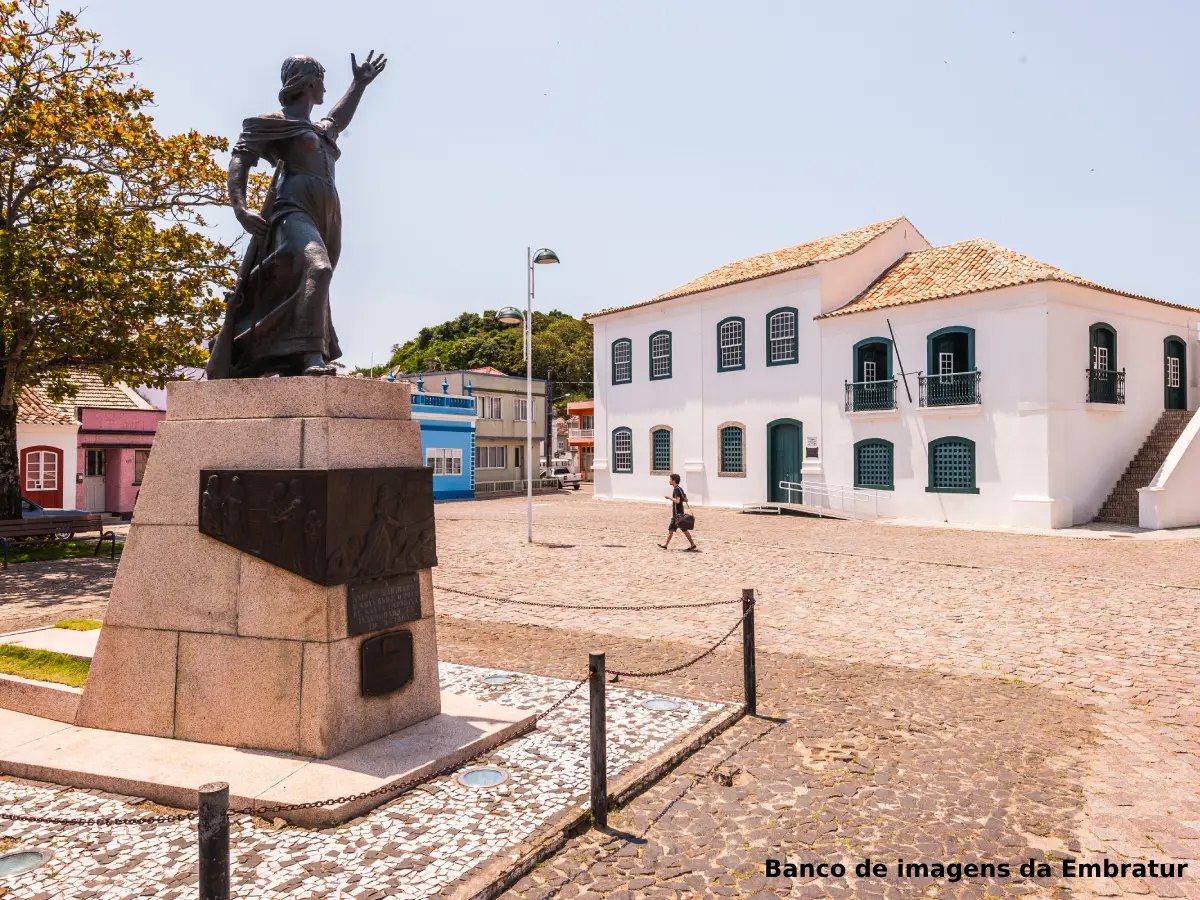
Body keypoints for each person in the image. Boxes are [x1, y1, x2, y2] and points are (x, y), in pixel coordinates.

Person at [207, 50, 387, 379]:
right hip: (293, 208)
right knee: (318, 268)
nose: (324, 90)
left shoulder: (317, 129)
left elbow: (337, 120)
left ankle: (289, 354)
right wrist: (240, 207)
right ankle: (310, 355)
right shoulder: (276, 122)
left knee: (312, 280)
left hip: (327, 216)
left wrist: (359, 85)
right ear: (308, 83)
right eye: (321, 82)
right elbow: (240, 159)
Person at [659, 473, 697, 551]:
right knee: (675, 529)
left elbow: (677, 500)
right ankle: (666, 545)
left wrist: (669, 498)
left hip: (677, 514)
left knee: (676, 529)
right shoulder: (680, 488)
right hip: (679, 513)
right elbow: (686, 499)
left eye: (670, 479)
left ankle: (692, 544)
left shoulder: (676, 489)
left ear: (674, 481)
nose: (669, 481)